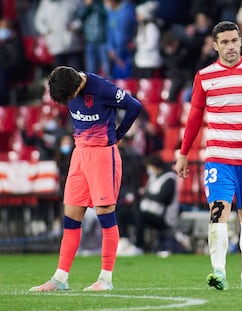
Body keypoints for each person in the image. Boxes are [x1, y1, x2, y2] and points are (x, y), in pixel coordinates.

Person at [174, 21, 242, 290]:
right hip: (218, 157)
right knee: (219, 212)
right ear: (215, 46)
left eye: (234, 40)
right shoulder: (205, 76)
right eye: (224, 42)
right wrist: (183, 153)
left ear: (241, 41)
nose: (230, 46)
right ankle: (219, 272)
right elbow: (193, 118)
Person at [29, 65, 142, 292]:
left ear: (77, 87)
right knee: (71, 217)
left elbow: (134, 106)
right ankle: (60, 278)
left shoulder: (101, 88)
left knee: (105, 214)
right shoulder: (63, 83)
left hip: (103, 154)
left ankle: (105, 279)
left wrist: (118, 134)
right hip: (79, 154)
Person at [135, 153, 180, 254]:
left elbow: (162, 198)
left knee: (141, 216)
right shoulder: (153, 178)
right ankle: (125, 241)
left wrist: (145, 194)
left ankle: (139, 246)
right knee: (126, 212)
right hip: (150, 212)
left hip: (164, 217)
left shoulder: (169, 178)